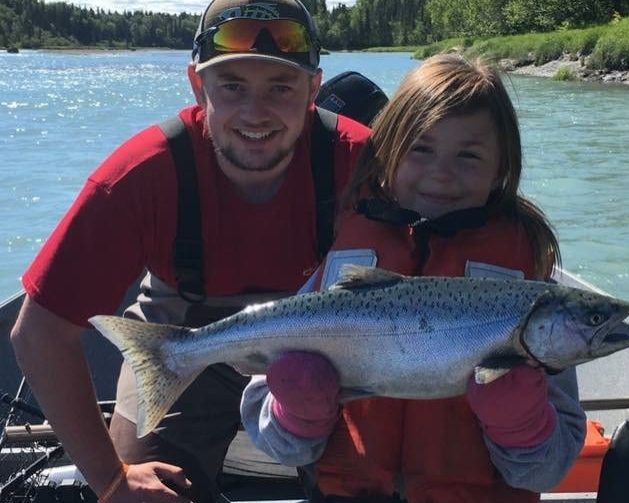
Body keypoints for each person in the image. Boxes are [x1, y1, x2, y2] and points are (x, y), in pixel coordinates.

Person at [9, 1, 370, 503]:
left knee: (376, 483)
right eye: (233, 86)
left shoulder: (368, 162)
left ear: (314, 89)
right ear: (198, 87)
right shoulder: (140, 176)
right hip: (178, 341)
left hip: (328, 349)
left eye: (280, 88)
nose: (255, 113)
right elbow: (40, 333)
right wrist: (111, 480)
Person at [241, 53, 587, 502]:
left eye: (469, 155)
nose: (442, 173)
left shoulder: (532, 294)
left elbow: (547, 472)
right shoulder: (343, 259)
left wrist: (522, 425)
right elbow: (274, 438)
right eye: (421, 149)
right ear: (386, 154)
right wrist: (296, 415)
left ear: (501, 167)